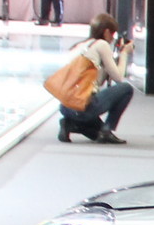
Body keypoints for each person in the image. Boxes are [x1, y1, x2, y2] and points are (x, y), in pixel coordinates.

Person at [57, 13, 133, 144]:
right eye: (113, 34)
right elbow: (119, 78)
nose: (112, 39)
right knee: (126, 89)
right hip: (83, 106)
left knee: (95, 133)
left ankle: (69, 123)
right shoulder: (101, 45)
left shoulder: (81, 45)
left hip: (65, 106)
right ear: (107, 32)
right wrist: (124, 54)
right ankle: (107, 129)